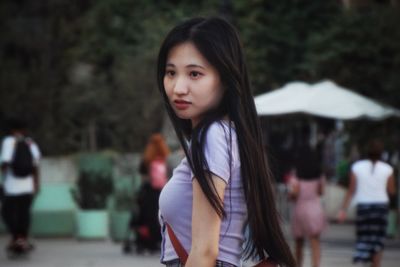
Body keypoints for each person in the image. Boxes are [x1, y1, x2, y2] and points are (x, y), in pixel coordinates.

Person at [157, 17, 295, 267]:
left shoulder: (212, 136)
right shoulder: (225, 135)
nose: (178, 87)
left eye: (194, 74)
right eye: (171, 73)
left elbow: (205, 250)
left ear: (225, 77)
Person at [337, 139, 396, 267]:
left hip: (363, 209)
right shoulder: (388, 169)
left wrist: (343, 209)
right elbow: (392, 191)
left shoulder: (357, 167)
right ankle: (375, 264)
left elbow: (351, 190)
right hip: (380, 209)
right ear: (381, 153)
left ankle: (364, 261)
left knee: (363, 241)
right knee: (377, 243)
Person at [1, 118, 41, 253]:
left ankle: (16, 238)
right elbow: (35, 165)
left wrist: (3, 177)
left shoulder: (9, 141)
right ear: (24, 130)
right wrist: (36, 183)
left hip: (11, 187)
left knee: (7, 213)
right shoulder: (30, 143)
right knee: (24, 214)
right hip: (27, 186)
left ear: (12, 130)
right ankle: (22, 240)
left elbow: (5, 162)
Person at [288, 127, 326, 267]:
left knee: (299, 243)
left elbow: (294, 194)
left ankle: (298, 264)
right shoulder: (318, 174)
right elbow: (321, 192)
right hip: (315, 209)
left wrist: (291, 195)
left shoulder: (296, 174)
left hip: (300, 209)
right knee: (315, 242)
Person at [130, 134, 170, 254]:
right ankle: (158, 241)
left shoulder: (147, 159)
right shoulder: (165, 158)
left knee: (146, 218)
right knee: (159, 216)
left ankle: (145, 242)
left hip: (148, 192)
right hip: (162, 191)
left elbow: (142, 173)